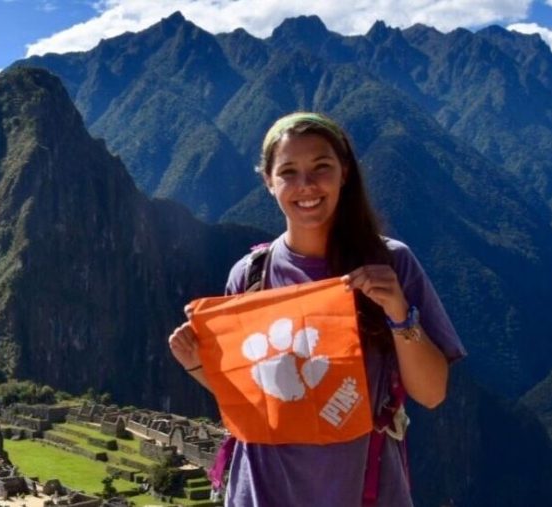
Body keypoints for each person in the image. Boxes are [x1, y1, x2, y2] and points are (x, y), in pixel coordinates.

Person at [167, 112, 466, 506]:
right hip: (264, 488)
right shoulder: (250, 276)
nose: (305, 185)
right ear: (268, 182)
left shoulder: (390, 263)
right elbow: (258, 400)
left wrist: (399, 311)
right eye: (288, 171)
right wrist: (196, 365)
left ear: (345, 172)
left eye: (321, 167)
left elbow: (431, 393)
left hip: (359, 487)